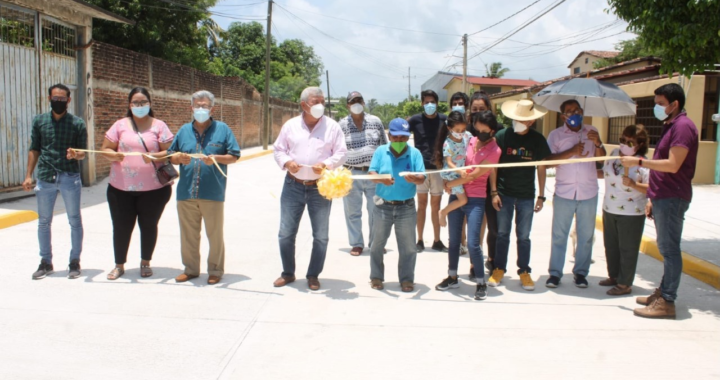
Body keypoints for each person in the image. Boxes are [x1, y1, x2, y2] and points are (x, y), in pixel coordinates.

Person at [621, 83, 699, 319]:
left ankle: (667, 300)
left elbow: (673, 165)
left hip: (673, 196)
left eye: (660, 104)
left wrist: (638, 163)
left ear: (674, 104)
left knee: (669, 249)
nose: (656, 108)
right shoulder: (671, 125)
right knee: (666, 248)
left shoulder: (683, 127)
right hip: (664, 195)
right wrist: (653, 195)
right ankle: (664, 293)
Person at [273, 87, 347, 291]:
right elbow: (279, 149)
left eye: (322, 101)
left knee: (321, 235)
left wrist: (326, 164)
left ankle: (313, 275)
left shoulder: (332, 127)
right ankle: (288, 273)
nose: (320, 105)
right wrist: (288, 163)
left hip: (320, 188)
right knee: (286, 232)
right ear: (304, 105)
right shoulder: (290, 126)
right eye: (316, 102)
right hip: (292, 185)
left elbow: (341, 153)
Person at [101, 87, 174, 280]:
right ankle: (119, 265)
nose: (139, 106)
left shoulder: (159, 126)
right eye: (135, 103)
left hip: (154, 189)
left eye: (143, 102)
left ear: (149, 104)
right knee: (121, 226)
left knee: (149, 225)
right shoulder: (119, 125)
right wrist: (112, 154)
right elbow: (105, 149)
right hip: (120, 188)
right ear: (129, 105)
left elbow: (170, 151)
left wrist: (153, 156)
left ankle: (145, 262)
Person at [168, 90, 240, 285]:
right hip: (186, 192)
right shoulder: (184, 131)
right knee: (188, 234)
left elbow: (234, 155)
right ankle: (190, 269)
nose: (201, 109)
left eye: (205, 106)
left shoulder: (222, 129)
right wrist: (178, 158)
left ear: (212, 108)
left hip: (212, 192)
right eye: (197, 105)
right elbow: (170, 155)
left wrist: (215, 159)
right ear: (191, 108)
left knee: (214, 234)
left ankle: (215, 270)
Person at [435, 111, 501, 300]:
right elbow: (453, 158)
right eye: (477, 129)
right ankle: (453, 276)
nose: (479, 134)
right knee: (454, 241)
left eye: (484, 131)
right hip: (457, 194)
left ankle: (481, 282)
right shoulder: (469, 139)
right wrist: (451, 183)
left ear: (492, 131)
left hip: (476, 198)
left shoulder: (495, 151)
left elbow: (474, 174)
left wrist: (449, 184)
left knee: (473, 243)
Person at [25, 84, 87, 280]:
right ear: (49, 98)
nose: (58, 102)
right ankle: (46, 262)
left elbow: (83, 153)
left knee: (74, 220)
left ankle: (74, 262)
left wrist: (76, 154)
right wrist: (28, 174)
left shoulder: (77, 124)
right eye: (55, 98)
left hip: (69, 176)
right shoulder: (39, 121)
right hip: (45, 176)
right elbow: (34, 148)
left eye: (62, 99)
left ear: (68, 101)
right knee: (43, 221)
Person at [489, 99, 550, 291]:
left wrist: (541, 196)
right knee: (502, 234)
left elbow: (541, 167)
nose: (516, 122)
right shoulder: (502, 135)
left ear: (530, 122)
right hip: (504, 194)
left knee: (524, 236)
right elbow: (492, 166)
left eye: (521, 119)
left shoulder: (537, 139)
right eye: (515, 118)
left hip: (526, 195)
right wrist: (494, 192)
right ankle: (499, 268)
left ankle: (524, 271)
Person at [545, 99, 606, 288]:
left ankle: (581, 273)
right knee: (559, 235)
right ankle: (555, 274)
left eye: (576, 110)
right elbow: (547, 161)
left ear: (582, 111)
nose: (574, 114)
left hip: (588, 192)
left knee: (586, 235)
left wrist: (598, 143)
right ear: (563, 116)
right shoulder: (555, 135)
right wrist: (571, 151)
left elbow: (601, 160)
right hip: (564, 191)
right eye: (569, 111)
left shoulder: (591, 131)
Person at [368, 118, 426, 292]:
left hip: (406, 207)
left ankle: (407, 279)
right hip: (382, 206)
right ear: (390, 135)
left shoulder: (414, 153)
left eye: (404, 138)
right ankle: (376, 277)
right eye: (397, 137)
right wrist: (381, 179)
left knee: (408, 246)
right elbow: (372, 172)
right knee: (377, 244)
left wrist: (415, 178)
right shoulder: (380, 151)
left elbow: (422, 176)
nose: (400, 141)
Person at [600, 125, 650, 296]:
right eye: (622, 140)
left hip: (631, 212)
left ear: (640, 144)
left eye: (630, 142)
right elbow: (604, 172)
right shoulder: (614, 154)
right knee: (611, 246)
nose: (624, 144)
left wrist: (635, 185)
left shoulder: (643, 163)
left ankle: (625, 283)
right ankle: (614, 276)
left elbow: (652, 188)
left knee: (628, 248)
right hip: (609, 208)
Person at [339, 91, 387, 256]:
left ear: (364, 103)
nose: (356, 103)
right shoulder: (342, 125)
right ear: (348, 105)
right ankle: (356, 244)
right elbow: (338, 149)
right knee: (352, 211)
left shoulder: (375, 121)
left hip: (373, 174)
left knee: (376, 210)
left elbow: (384, 146)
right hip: (351, 173)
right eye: (353, 101)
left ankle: (376, 243)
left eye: (359, 100)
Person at [408, 89, 448, 253]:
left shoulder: (444, 120)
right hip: (420, 169)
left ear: (437, 103)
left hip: (438, 169)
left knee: (436, 205)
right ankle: (419, 240)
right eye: (426, 102)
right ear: (422, 104)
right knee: (422, 204)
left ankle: (437, 240)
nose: (429, 105)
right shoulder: (415, 120)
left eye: (432, 102)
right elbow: (401, 134)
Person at [468, 91, 497, 280]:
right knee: (475, 228)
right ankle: (473, 264)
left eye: (482, 109)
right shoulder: (466, 131)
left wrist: (494, 190)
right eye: (474, 109)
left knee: (492, 228)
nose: (477, 112)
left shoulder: (496, 130)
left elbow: (495, 163)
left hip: (489, 186)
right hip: (469, 186)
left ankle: (492, 260)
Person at [435, 111, 470, 227]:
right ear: (450, 128)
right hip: (452, 174)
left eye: (463, 130)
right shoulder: (447, 143)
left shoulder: (466, 136)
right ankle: (443, 212)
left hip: (460, 173)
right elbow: (449, 163)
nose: (461, 133)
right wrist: (459, 171)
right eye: (457, 130)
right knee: (463, 200)